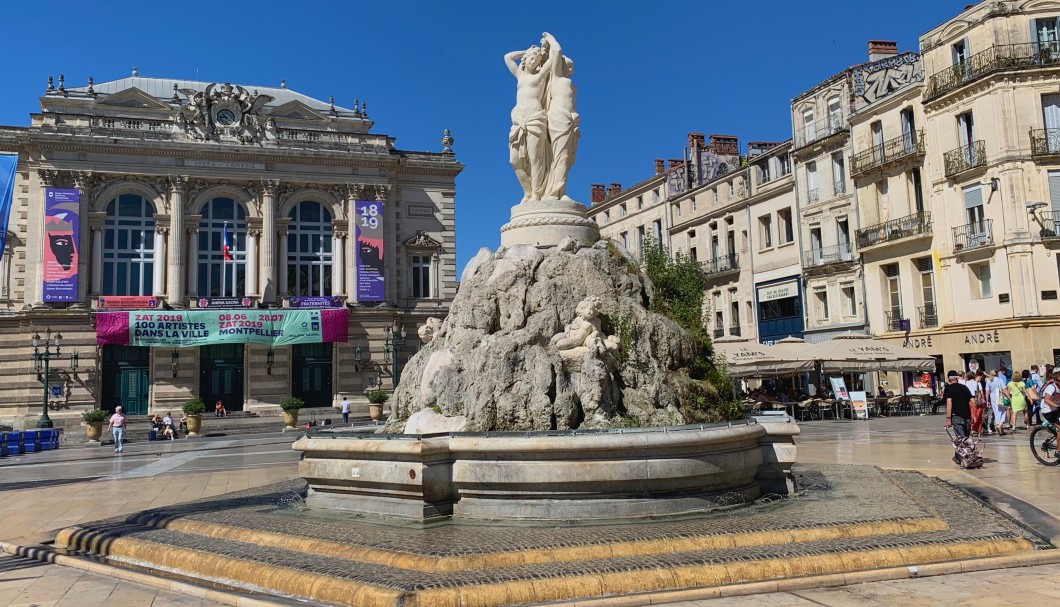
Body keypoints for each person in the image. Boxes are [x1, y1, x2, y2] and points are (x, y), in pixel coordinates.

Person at [944, 371, 973, 465]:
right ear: (956, 378)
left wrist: (948, 418)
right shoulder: (964, 387)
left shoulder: (948, 389)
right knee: (965, 438)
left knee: (962, 440)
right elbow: (972, 401)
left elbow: (949, 403)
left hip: (956, 416)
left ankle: (966, 459)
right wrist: (974, 415)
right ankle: (957, 457)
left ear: (949, 379)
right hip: (967, 416)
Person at [986, 370, 1007, 436]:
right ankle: (999, 425)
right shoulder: (999, 379)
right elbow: (1004, 389)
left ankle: (1000, 428)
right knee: (1003, 411)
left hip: (992, 396)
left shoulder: (988, 380)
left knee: (996, 412)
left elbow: (987, 391)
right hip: (999, 394)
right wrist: (1009, 397)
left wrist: (987, 400)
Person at [964, 372, 983, 437]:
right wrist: (983, 399)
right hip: (977, 400)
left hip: (969, 400)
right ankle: (977, 429)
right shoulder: (978, 383)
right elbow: (981, 393)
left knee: (971, 414)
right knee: (978, 415)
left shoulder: (965, 383)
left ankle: (972, 428)